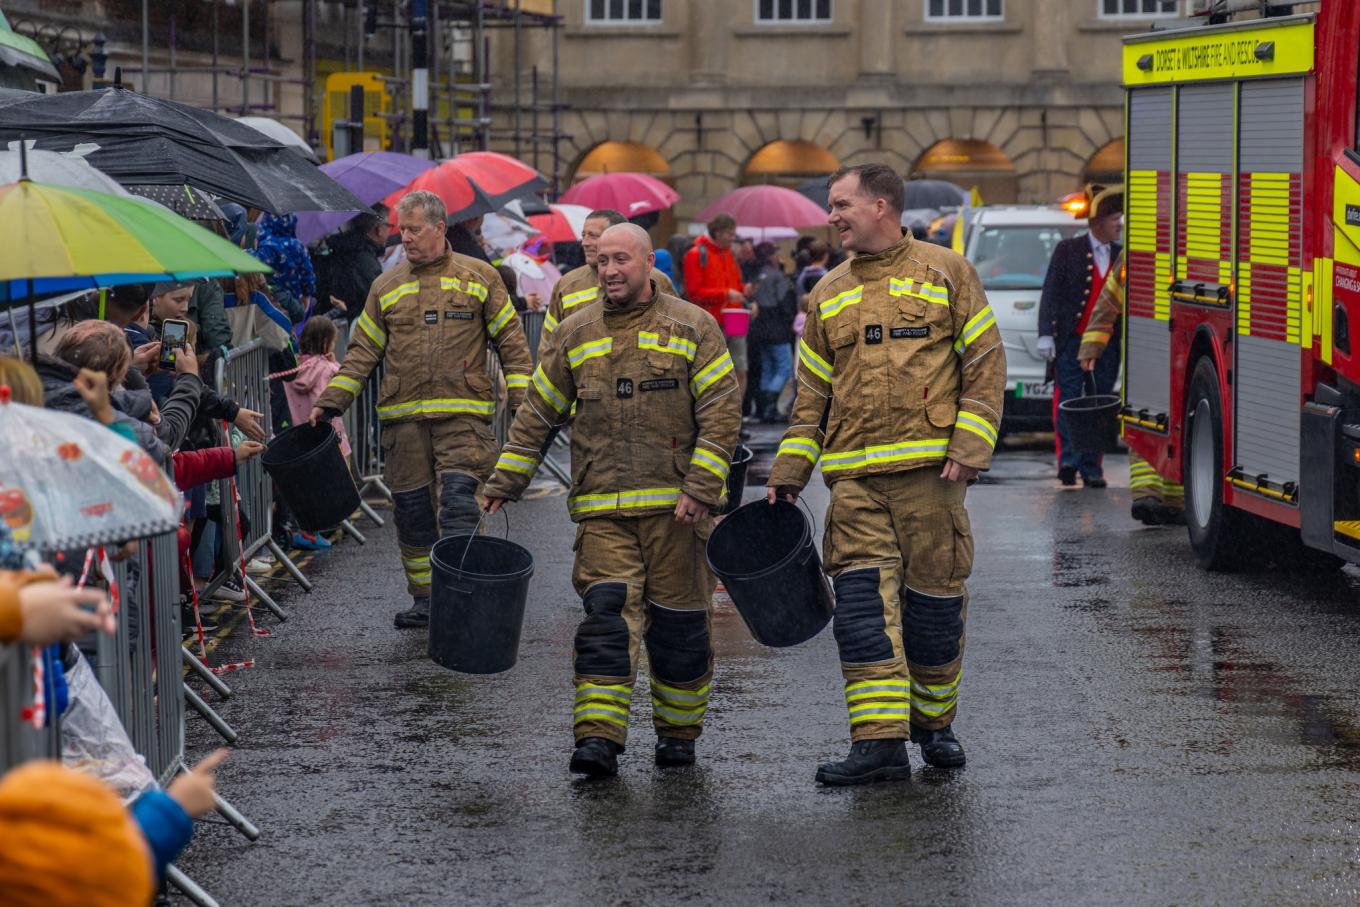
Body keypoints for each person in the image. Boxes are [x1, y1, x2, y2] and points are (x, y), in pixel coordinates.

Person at [767, 164, 1005, 785]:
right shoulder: (827, 291)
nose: (832, 215)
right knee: (862, 613)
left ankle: (935, 726)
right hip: (854, 484)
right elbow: (811, 395)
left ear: (880, 205)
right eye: (831, 205)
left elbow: (984, 363)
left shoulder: (948, 272)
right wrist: (791, 469)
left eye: (842, 203)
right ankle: (878, 745)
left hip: (931, 478)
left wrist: (970, 445)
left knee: (932, 611)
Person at [483, 223, 741, 779]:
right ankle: (598, 740)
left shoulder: (694, 327)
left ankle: (678, 737)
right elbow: (538, 416)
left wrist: (701, 488)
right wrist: (504, 481)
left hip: (678, 513)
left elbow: (721, 413)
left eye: (621, 259)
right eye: (601, 261)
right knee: (605, 623)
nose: (609, 271)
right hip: (604, 512)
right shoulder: (576, 332)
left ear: (650, 262)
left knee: (680, 629)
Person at [311, 190, 534, 629]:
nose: (406, 238)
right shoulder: (387, 285)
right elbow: (361, 355)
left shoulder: (480, 277)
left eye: (414, 229)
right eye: (402, 229)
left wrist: (526, 408)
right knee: (412, 513)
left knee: (457, 506)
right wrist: (329, 402)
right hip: (404, 420)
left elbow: (513, 347)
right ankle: (427, 599)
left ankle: (462, 594)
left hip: (464, 417)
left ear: (439, 228)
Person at [1077, 251, 1185, 526]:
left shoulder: (1137, 248)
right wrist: (1092, 345)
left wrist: (1092, 346)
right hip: (1174, 353)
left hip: (1151, 351)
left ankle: (1158, 497)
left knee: (1152, 421)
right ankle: (1159, 498)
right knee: (1159, 422)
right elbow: (1111, 299)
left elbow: (1108, 301)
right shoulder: (1138, 250)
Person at [1037, 184, 1124, 488]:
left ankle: (1092, 467)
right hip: (1071, 340)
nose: (1120, 223)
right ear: (1098, 221)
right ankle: (1068, 461)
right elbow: (1051, 293)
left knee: (1099, 405)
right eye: (1114, 217)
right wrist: (1046, 334)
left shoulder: (1120, 254)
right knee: (1069, 400)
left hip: (1106, 345)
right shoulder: (1068, 249)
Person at [543, 209, 676, 334]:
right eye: (583, 235)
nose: (584, 243)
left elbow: (677, 327)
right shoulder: (566, 285)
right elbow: (550, 342)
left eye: (593, 236)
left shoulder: (657, 280)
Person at [683, 214, 751, 415]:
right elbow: (694, 293)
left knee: (740, 370)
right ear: (718, 232)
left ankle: (734, 418)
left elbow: (735, 286)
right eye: (730, 234)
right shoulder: (697, 254)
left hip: (735, 318)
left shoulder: (728, 254)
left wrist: (744, 293)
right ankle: (716, 417)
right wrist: (726, 294)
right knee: (715, 374)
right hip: (711, 322)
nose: (733, 238)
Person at [285, 317, 351, 458]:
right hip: (328, 435)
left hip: (302, 436)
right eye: (333, 341)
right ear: (325, 342)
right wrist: (334, 363)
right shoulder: (326, 367)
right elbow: (342, 380)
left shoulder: (292, 369)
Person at [747, 242, 797, 422]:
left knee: (768, 368)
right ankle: (770, 404)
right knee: (784, 367)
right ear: (770, 256)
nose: (779, 256)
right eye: (776, 253)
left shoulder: (756, 276)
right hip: (777, 328)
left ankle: (763, 408)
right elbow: (785, 304)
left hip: (759, 327)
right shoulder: (777, 277)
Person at [319, 206, 389, 323]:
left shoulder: (340, 250)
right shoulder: (366, 261)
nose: (388, 232)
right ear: (379, 229)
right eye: (388, 226)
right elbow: (381, 302)